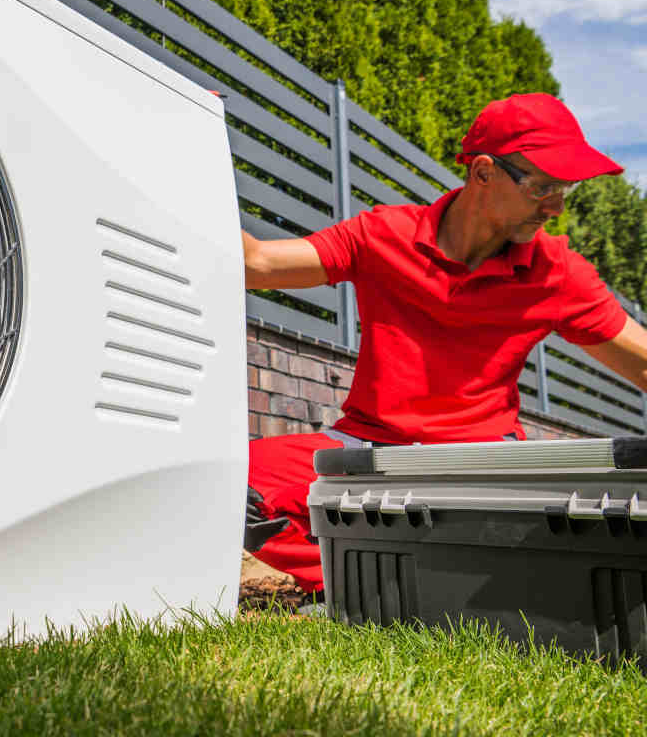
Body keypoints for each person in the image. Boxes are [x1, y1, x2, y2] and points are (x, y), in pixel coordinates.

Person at [242, 93, 647, 593]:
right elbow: (256, 264)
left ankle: (398, 582)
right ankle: (356, 586)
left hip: (481, 462)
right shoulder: (381, 235)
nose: (558, 207)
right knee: (236, 484)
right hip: (367, 449)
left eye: (566, 189)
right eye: (543, 187)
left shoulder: (557, 273)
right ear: (483, 172)